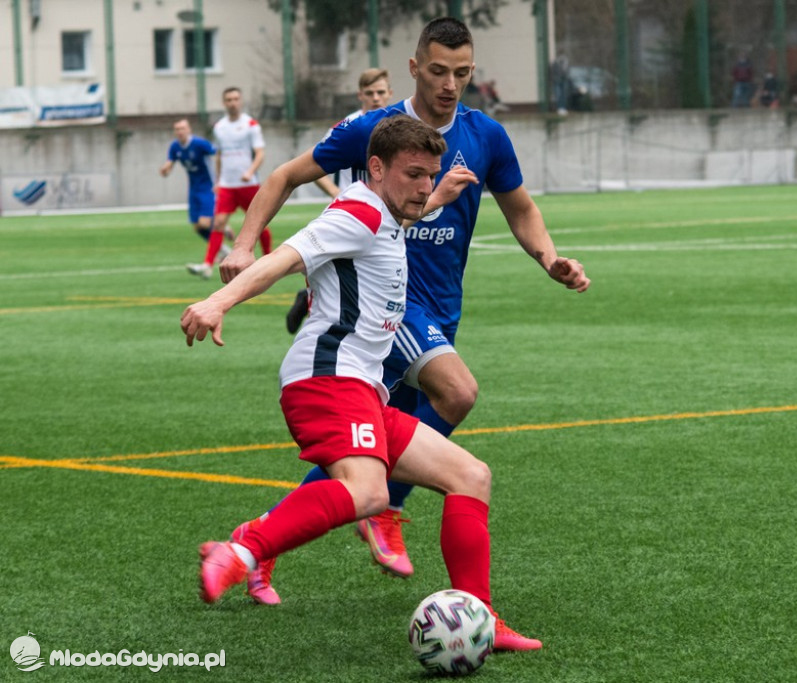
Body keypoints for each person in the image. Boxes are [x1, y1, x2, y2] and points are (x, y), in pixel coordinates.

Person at [219, 16, 588, 601]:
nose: (450, 84)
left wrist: (550, 259)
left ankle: (261, 540)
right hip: (390, 310)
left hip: (441, 308)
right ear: (414, 68)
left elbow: (520, 207)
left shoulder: (486, 134)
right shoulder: (373, 131)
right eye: (438, 71)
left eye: (462, 73)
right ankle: (384, 507)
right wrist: (242, 243)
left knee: (377, 448)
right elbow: (287, 175)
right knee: (457, 393)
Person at [182, 114, 541, 651]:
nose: (423, 187)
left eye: (431, 175)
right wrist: (217, 301)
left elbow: (399, 217)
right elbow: (286, 258)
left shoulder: (386, 209)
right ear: (375, 169)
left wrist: (434, 195)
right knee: (370, 491)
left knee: (471, 475)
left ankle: (482, 621)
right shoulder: (356, 210)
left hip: (362, 388)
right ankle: (242, 550)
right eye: (413, 175)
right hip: (326, 379)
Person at [285, 68, 395, 334]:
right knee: (350, 283)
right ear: (360, 95)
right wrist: (337, 193)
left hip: (391, 217)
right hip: (354, 219)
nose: (376, 98)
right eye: (370, 93)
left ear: (390, 93)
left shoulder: (399, 127)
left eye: (381, 92)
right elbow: (314, 168)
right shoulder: (350, 127)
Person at [187, 87, 273, 279]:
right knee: (218, 223)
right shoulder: (219, 127)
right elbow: (219, 155)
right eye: (229, 99)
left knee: (258, 224)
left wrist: (250, 171)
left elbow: (260, 153)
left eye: (235, 99)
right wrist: (218, 180)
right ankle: (207, 265)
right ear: (224, 102)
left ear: (240, 101)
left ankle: (269, 260)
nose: (232, 102)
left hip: (248, 185)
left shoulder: (251, 124)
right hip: (227, 185)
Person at [159, 118, 219, 246]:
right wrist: (165, 169)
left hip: (208, 187)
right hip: (193, 189)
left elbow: (218, 153)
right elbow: (169, 162)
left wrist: (220, 180)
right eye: (177, 129)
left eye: (182, 128)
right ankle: (223, 250)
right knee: (197, 227)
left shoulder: (199, 144)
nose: (180, 132)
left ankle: (222, 225)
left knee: (205, 223)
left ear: (189, 130)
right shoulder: (175, 146)